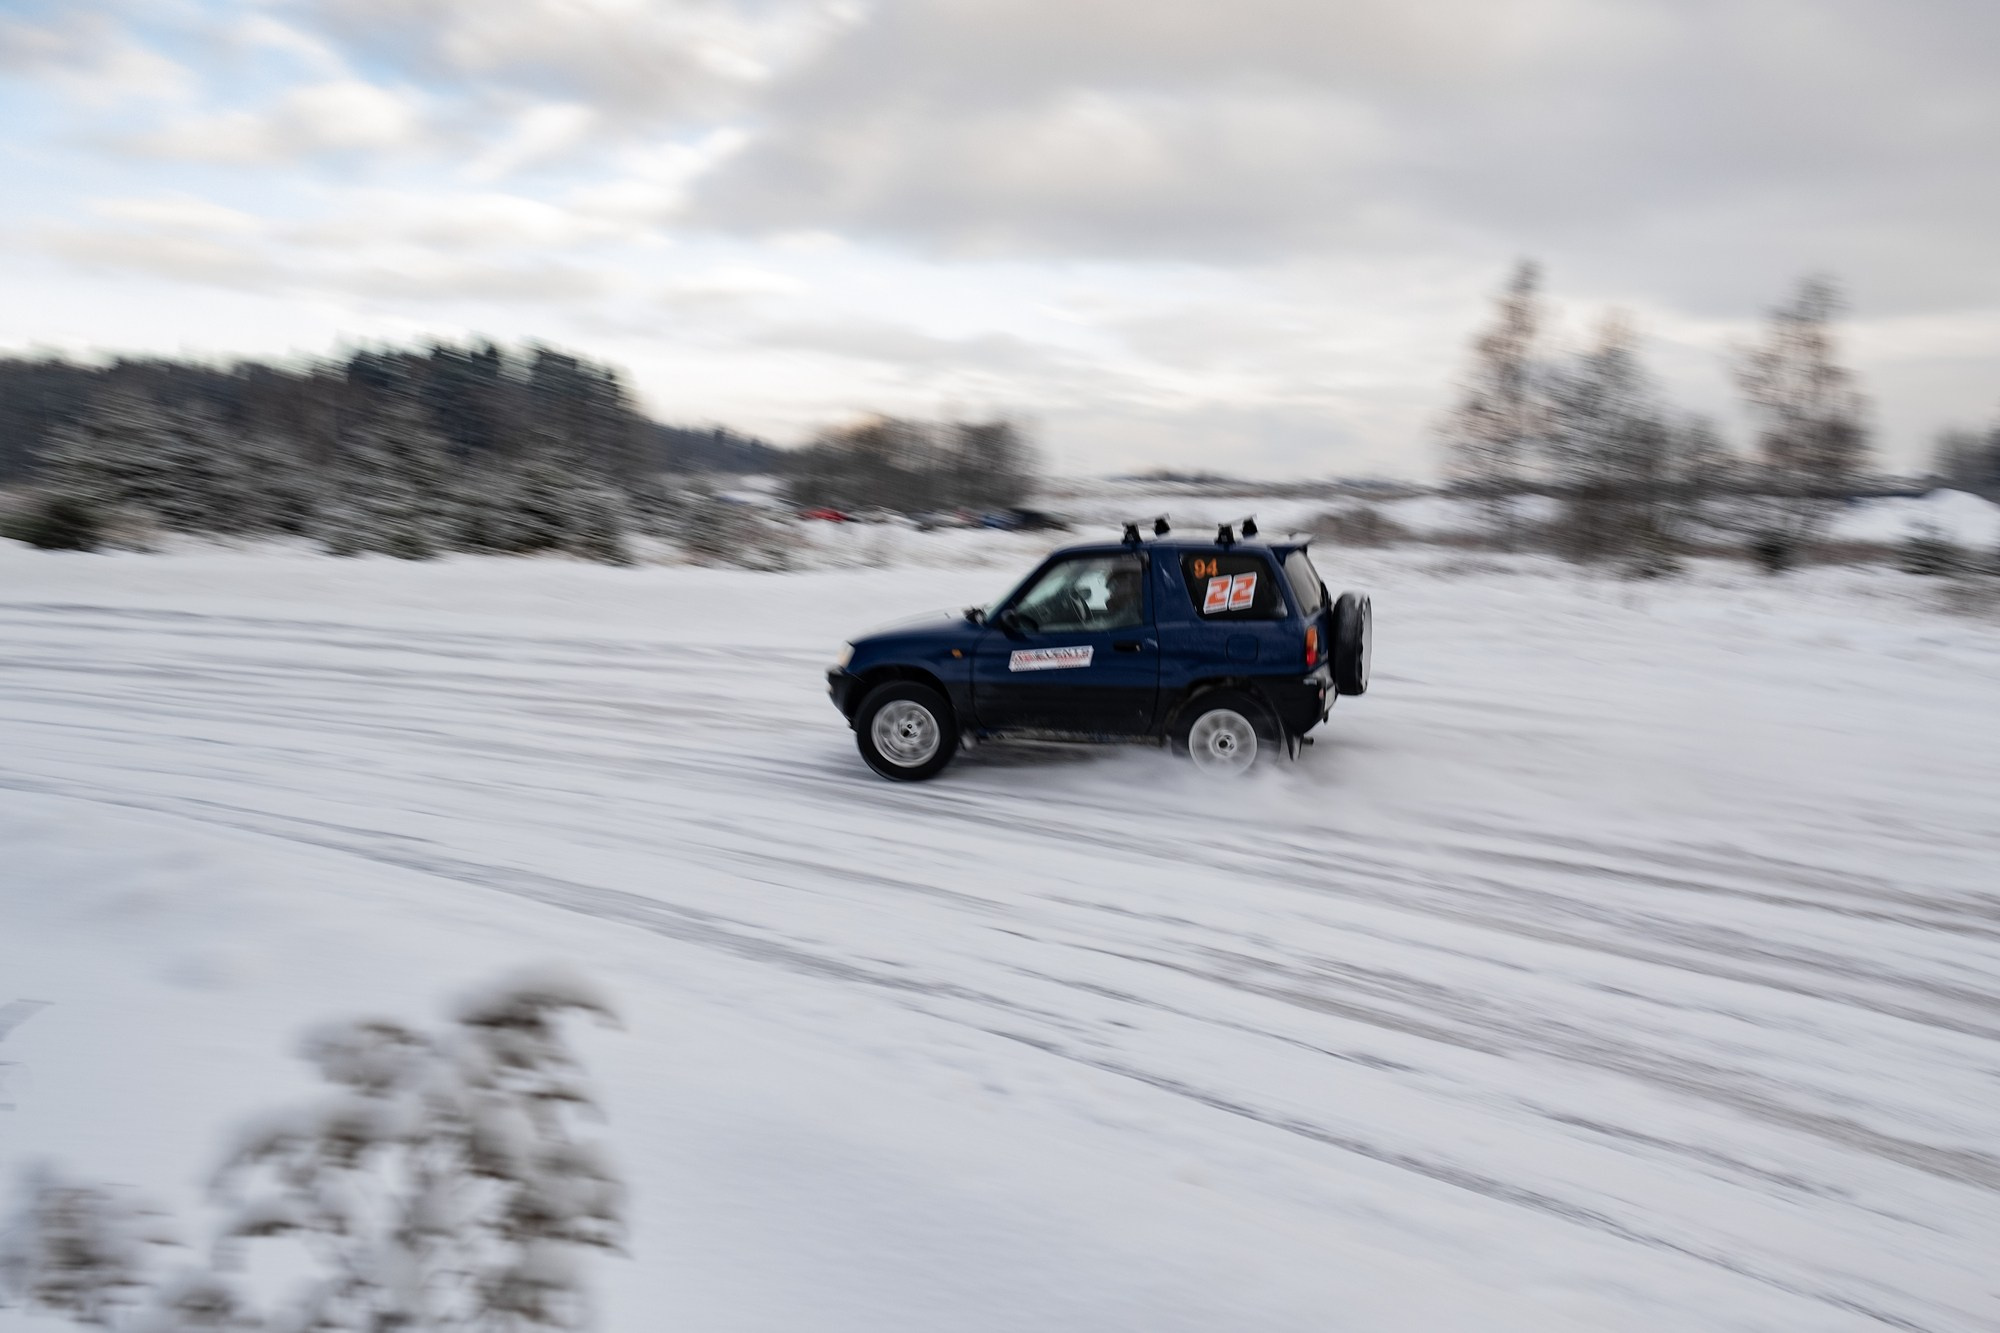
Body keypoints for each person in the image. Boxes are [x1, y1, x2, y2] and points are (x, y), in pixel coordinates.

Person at [1101, 563, 1143, 628]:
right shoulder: (1117, 603)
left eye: (1115, 585)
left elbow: (1116, 624)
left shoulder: (1136, 605)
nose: (1112, 592)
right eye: (1111, 588)